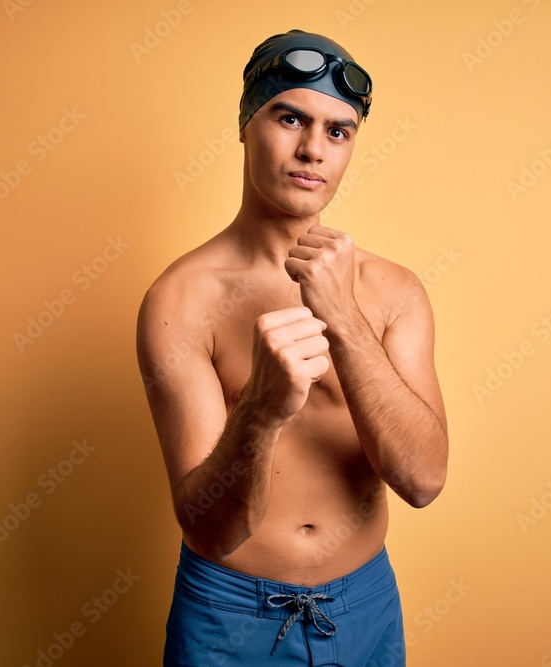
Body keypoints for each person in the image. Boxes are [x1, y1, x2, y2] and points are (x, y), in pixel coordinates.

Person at [137, 28, 448, 666]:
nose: (312, 149)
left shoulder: (394, 292)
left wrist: (342, 315)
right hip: (228, 614)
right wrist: (260, 410)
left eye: (338, 131)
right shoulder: (182, 300)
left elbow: (423, 480)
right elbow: (211, 530)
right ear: (248, 124)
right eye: (290, 118)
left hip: (364, 607)